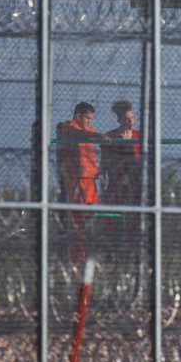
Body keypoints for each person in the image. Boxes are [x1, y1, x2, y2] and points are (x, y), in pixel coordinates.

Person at [56, 102, 110, 259]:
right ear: (79, 116)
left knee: (91, 216)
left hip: (91, 179)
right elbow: (77, 135)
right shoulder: (69, 126)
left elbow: (98, 141)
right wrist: (98, 136)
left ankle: (88, 252)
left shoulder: (88, 129)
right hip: (78, 179)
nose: (90, 122)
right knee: (79, 217)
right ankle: (77, 255)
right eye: (87, 118)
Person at [101, 99, 142, 211]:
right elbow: (104, 160)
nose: (130, 122)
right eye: (126, 119)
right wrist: (102, 180)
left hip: (135, 180)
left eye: (132, 118)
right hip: (116, 180)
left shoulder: (140, 136)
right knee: (114, 210)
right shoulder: (110, 136)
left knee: (134, 211)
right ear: (119, 120)